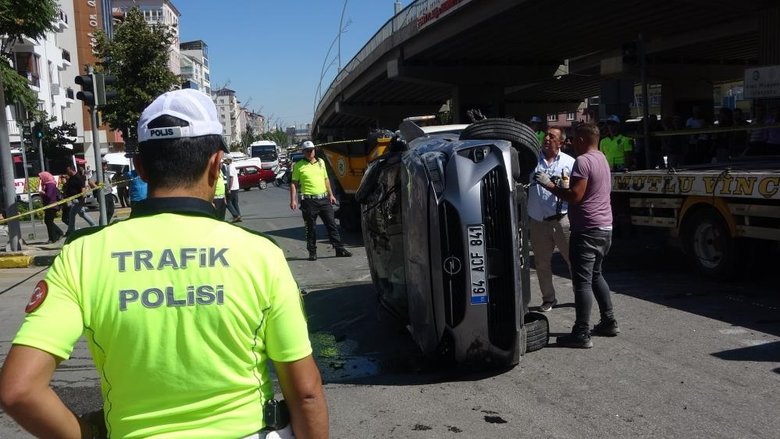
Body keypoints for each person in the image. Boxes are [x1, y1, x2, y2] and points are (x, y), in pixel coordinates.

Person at [0, 89, 329, 438]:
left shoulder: (83, 256)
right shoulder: (260, 254)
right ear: (217, 164)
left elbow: (19, 390)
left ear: (139, 167)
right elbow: (306, 393)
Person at [534, 123, 619, 348]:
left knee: (582, 282)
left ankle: (581, 333)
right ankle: (609, 321)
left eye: (574, 139)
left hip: (587, 230)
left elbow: (575, 196)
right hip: (604, 228)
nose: (572, 142)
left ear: (581, 140)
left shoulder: (582, 161)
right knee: (595, 275)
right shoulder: (601, 158)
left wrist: (550, 185)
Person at [528, 128, 575, 312]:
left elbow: (575, 190)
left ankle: (580, 295)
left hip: (561, 219)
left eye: (551, 136)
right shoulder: (531, 161)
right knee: (541, 262)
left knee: (573, 260)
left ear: (560, 143)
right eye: (545, 135)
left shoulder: (570, 162)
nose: (546, 138)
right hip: (538, 220)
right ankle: (549, 299)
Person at [290, 140, 352, 261]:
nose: (309, 152)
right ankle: (312, 252)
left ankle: (339, 249)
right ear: (303, 152)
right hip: (309, 201)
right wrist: (293, 200)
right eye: (307, 151)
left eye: (311, 150)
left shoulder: (321, 162)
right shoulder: (299, 166)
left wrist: (331, 195)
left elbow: (326, 179)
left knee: (332, 225)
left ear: (314, 150)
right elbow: (294, 184)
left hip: (323, 199)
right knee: (311, 228)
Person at [62, 164, 95, 235]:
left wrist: (82, 200)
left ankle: (71, 231)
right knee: (82, 214)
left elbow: (83, 189)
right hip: (73, 200)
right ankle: (94, 225)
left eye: (68, 170)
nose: (67, 172)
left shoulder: (78, 178)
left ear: (71, 169)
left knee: (71, 214)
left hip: (78, 200)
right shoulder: (71, 178)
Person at [38, 171, 64, 243]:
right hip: (49, 205)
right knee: (48, 221)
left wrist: (43, 193)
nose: (40, 179)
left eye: (41, 177)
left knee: (48, 221)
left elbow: (49, 195)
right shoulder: (48, 184)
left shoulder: (50, 184)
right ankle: (58, 233)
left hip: (51, 205)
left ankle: (53, 238)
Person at [224, 154, 242, 222]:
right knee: (235, 202)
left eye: (225, 160)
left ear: (229, 160)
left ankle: (236, 215)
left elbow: (231, 178)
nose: (225, 161)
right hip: (235, 187)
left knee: (228, 203)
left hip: (233, 188)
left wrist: (229, 188)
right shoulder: (230, 166)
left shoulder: (230, 167)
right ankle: (238, 216)